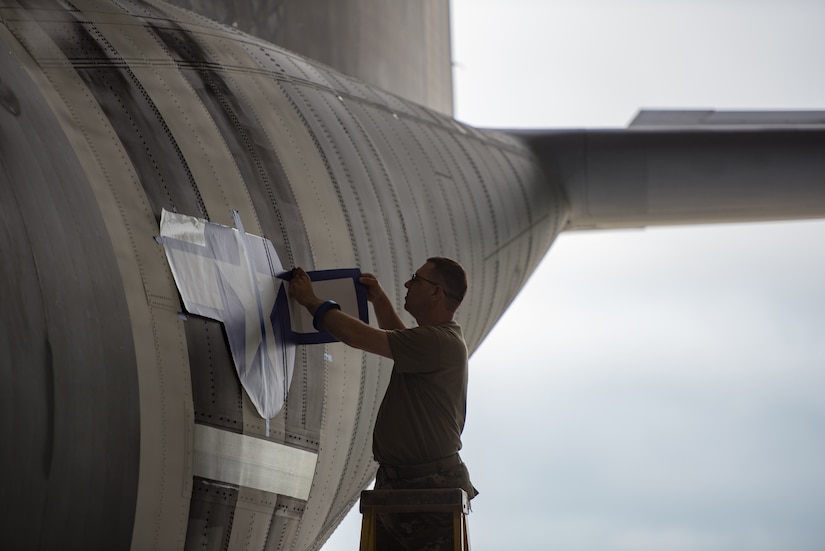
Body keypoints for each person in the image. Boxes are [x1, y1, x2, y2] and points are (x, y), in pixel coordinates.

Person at [289, 257, 477, 550]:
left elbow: (354, 335)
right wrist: (378, 300)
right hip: (406, 484)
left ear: (436, 292)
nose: (407, 283)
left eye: (416, 278)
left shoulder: (438, 342)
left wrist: (310, 300)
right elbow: (400, 337)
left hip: (426, 487)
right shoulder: (434, 342)